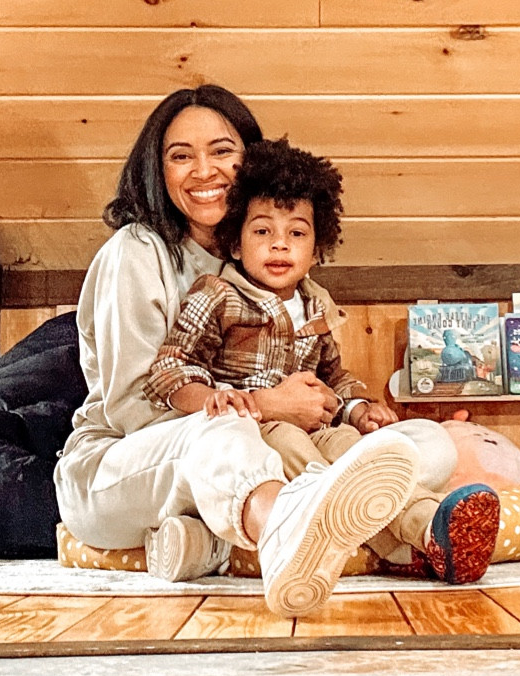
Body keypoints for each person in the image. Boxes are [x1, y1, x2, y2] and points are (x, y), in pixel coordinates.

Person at [52, 88, 485, 617]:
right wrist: (268, 407)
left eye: (221, 151)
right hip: (127, 466)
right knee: (225, 431)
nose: (203, 170)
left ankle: (221, 538)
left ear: (250, 162)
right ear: (157, 170)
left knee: (425, 443)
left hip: (261, 459)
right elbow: (132, 410)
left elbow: (327, 378)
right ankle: (291, 532)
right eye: (180, 155)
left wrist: (357, 413)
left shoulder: (279, 271)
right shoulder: (137, 252)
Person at [144, 137, 500, 585]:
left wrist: (360, 409)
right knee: (297, 450)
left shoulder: (317, 307)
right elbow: (171, 365)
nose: (279, 246)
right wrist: (216, 398)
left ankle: (434, 529)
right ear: (235, 243)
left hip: (319, 429)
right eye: (262, 232)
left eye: (296, 233)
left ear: (316, 250)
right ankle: (327, 536)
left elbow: (334, 377)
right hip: (257, 432)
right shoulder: (217, 295)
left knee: (360, 454)